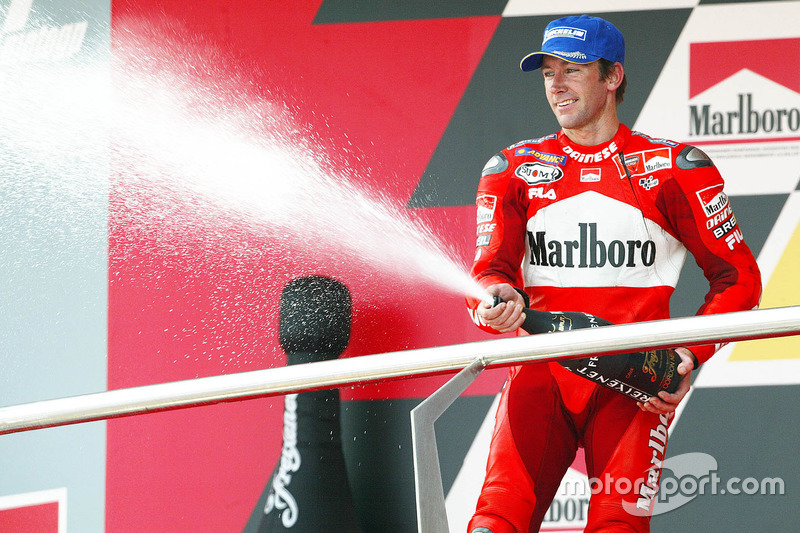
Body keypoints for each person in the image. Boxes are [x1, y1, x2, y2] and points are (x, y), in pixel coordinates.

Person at [465, 14, 762, 533]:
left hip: (635, 383)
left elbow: (739, 278)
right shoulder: (510, 170)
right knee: (496, 522)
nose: (556, 84)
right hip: (541, 374)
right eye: (547, 72)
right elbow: (488, 274)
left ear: (612, 77)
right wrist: (495, 299)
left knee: (617, 528)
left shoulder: (675, 167)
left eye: (573, 69)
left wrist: (688, 356)